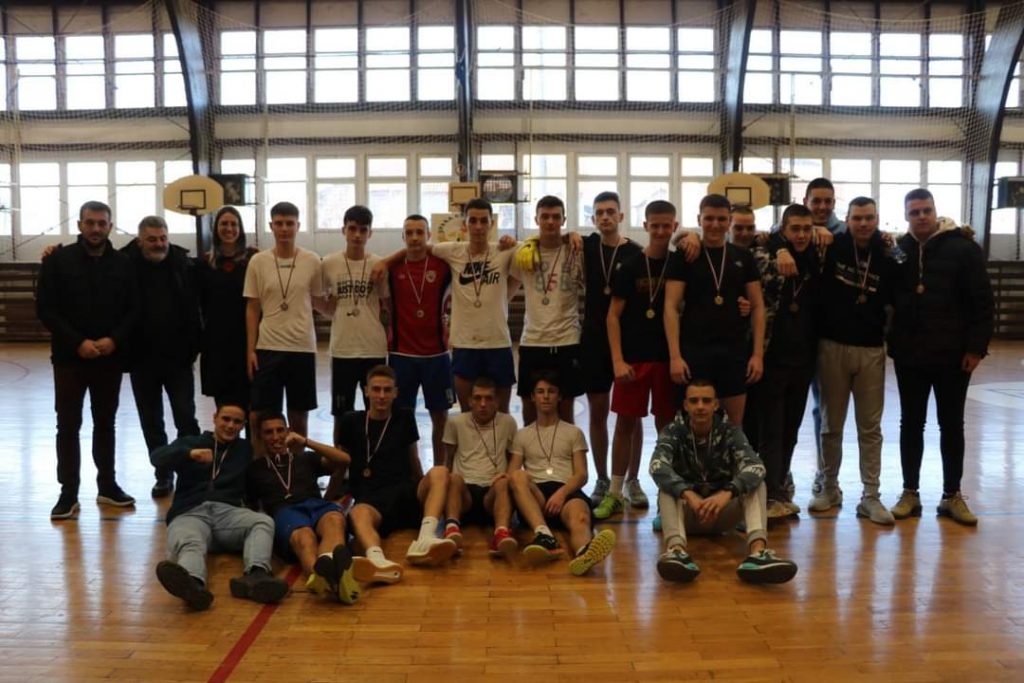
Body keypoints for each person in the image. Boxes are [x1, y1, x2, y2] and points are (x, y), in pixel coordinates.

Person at [888, 188, 994, 525]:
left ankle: (952, 495)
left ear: (935, 212)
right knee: (910, 424)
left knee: (951, 424)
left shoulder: (964, 248)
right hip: (910, 356)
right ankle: (910, 493)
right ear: (906, 215)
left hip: (953, 356)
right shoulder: (898, 251)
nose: (921, 217)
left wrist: (976, 348)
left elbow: (982, 302)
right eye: (914, 212)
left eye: (926, 210)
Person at [37, 200, 140, 519]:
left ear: (110, 226)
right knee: (67, 425)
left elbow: (134, 309)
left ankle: (107, 485)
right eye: (90, 222)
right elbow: (46, 309)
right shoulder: (58, 260)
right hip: (69, 359)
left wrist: (114, 339)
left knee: (105, 423)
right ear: (80, 225)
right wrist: (77, 342)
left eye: (101, 223)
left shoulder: (124, 264)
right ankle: (68, 493)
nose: (96, 228)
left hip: (108, 359)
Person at [649, 380, 798, 584]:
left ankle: (758, 553)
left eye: (706, 400)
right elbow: (657, 466)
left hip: (720, 513)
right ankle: (676, 552)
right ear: (686, 405)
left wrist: (727, 493)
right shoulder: (673, 431)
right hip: (687, 514)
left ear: (715, 405)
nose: (700, 406)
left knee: (756, 483)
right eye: (694, 401)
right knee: (667, 489)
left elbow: (757, 467)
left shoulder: (730, 432)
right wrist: (688, 494)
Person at [378, 198, 518, 412]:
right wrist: (384, 262)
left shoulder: (505, 250)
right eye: (473, 221)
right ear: (464, 225)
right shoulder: (452, 251)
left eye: (484, 221)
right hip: (464, 344)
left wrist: (505, 298)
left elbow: (524, 265)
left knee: (501, 412)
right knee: (467, 413)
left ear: (492, 224)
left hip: (498, 342)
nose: (478, 226)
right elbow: (417, 247)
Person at [809, 197, 899, 525]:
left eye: (869, 218)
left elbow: (908, 268)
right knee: (831, 425)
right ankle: (829, 487)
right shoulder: (830, 246)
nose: (863, 223)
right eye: (857, 218)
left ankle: (870, 496)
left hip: (871, 350)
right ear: (846, 219)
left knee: (870, 428)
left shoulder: (888, 252)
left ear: (877, 219)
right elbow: (782, 235)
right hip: (833, 346)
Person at [152, 403, 289, 611]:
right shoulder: (192, 442)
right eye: (226, 419)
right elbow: (157, 457)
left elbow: (271, 454)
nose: (230, 426)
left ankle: (256, 575)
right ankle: (193, 586)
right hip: (190, 512)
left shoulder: (244, 449)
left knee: (262, 522)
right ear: (215, 418)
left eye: (237, 422)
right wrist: (190, 454)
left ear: (243, 425)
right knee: (191, 541)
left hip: (228, 514)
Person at [595, 200, 677, 520]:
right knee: (625, 424)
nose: (660, 231)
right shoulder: (629, 266)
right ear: (645, 226)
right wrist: (617, 360)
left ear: (674, 227)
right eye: (655, 225)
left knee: (667, 428)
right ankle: (616, 493)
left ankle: (666, 498)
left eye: (666, 226)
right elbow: (612, 317)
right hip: (633, 360)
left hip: (667, 360)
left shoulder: (679, 263)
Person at [339, 366, 457, 584]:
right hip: (371, 498)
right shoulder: (351, 421)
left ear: (396, 393)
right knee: (358, 513)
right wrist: (331, 496)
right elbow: (341, 463)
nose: (381, 396)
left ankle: (425, 539)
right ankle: (377, 561)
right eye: (376, 389)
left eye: (387, 390)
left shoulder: (404, 417)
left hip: (405, 493)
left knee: (440, 472)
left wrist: (426, 488)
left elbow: (414, 459)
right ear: (366, 391)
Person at [663, 193, 765, 425]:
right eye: (709, 218)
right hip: (694, 352)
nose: (715, 224)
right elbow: (670, 307)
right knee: (693, 424)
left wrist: (757, 355)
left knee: (733, 426)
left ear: (729, 221)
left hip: (734, 352)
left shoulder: (743, 257)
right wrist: (675, 357)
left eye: (721, 219)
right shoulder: (685, 255)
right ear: (699, 220)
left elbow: (758, 306)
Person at [121, 215, 202, 498]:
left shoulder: (183, 263)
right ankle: (163, 473)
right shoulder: (123, 264)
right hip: (141, 361)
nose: (159, 244)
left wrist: (193, 346)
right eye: (152, 239)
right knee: (151, 422)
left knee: (186, 419)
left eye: (163, 238)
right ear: (140, 240)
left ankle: (191, 474)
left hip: (178, 359)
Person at [508, 372, 616, 576]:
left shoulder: (574, 432)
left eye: (551, 391)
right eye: (540, 392)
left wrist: (562, 493)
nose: (545, 396)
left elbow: (581, 474)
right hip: (536, 495)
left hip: (566, 491)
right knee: (517, 476)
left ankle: (584, 553)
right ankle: (544, 534)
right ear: (532, 397)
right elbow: (512, 472)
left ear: (559, 397)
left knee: (581, 517)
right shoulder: (522, 435)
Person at [752, 205, 821, 519]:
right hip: (773, 358)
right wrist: (779, 247)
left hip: (804, 360)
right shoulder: (766, 255)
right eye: (795, 229)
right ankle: (767, 495)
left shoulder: (818, 257)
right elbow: (753, 242)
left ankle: (779, 489)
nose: (802, 235)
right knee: (772, 430)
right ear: (783, 229)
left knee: (791, 429)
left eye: (807, 228)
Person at [248, 412, 359, 604]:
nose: (275, 436)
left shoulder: (304, 458)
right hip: (285, 512)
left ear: (288, 431)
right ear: (260, 436)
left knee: (334, 520)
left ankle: (328, 571)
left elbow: (344, 460)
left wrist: (306, 441)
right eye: (268, 432)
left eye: (280, 430)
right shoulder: (255, 469)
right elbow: (250, 506)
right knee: (304, 536)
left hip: (316, 505)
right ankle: (328, 578)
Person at [580, 191, 643, 507]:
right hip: (593, 342)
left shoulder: (636, 253)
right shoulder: (585, 246)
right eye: (599, 212)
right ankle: (602, 478)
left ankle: (632, 479)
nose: (605, 217)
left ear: (621, 216)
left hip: (628, 341)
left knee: (631, 414)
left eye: (610, 211)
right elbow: (553, 239)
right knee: (598, 412)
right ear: (593, 219)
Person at [244, 201, 323, 443]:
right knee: (261, 415)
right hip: (268, 347)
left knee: (299, 415)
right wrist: (251, 350)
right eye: (279, 223)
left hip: (302, 348)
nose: (285, 228)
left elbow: (319, 301)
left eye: (290, 223)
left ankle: (297, 464)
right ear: (271, 226)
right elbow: (252, 307)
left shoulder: (312, 260)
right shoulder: (258, 261)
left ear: (298, 226)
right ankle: (262, 463)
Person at [511, 196, 586, 425]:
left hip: (567, 340)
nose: (550, 222)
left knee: (566, 405)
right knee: (528, 403)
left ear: (563, 220)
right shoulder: (523, 252)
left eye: (556, 217)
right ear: (536, 219)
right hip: (533, 340)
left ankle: (565, 449)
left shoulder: (575, 250)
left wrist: (573, 234)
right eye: (545, 216)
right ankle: (531, 448)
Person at [321, 205, 391, 446]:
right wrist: (333, 311)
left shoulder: (379, 264)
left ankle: (375, 458)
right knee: (341, 413)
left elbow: (386, 305)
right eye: (352, 229)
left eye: (363, 230)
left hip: (373, 348)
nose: (357, 235)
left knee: (377, 410)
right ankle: (340, 462)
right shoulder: (329, 263)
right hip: (342, 349)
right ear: (344, 230)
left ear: (370, 233)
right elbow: (322, 301)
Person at [388, 215, 454, 465]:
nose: (415, 237)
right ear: (403, 237)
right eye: (409, 233)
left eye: (420, 232)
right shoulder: (392, 268)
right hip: (402, 355)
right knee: (403, 417)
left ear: (428, 236)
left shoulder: (443, 266)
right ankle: (410, 469)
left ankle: (440, 469)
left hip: (437, 354)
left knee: (441, 417)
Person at [441, 376, 519, 557]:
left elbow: (512, 459)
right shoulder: (455, 422)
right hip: (464, 495)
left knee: (503, 481)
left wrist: (507, 477)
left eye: (488, 398)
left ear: (497, 402)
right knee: (453, 478)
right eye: (477, 398)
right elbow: (449, 459)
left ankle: (501, 534)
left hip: (492, 494)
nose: (482, 404)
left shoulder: (508, 422)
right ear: (469, 401)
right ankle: (451, 529)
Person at [198, 206, 258, 412]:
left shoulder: (253, 259)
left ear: (240, 228)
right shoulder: (205, 263)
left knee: (251, 405)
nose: (229, 228)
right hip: (217, 344)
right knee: (224, 406)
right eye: (224, 224)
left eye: (234, 224)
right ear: (216, 228)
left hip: (247, 341)